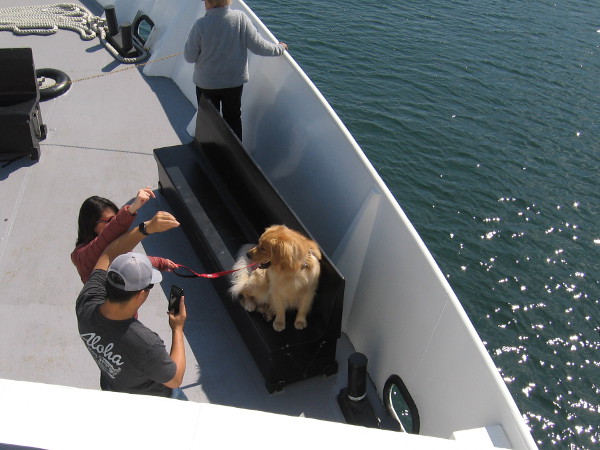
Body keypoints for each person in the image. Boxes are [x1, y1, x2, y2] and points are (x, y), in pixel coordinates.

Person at [76, 210, 187, 398]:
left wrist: (147, 228)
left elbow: (107, 255)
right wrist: (177, 328)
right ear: (140, 294)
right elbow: (175, 379)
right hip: (152, 399)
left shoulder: (87, 301)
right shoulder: (145, 343)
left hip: (113, 387)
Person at [183, 0, 288, 141]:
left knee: (207, 121)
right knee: (233, 118)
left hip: (206, 84)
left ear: (207, 3)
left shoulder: (200, 25)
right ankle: (235, 157)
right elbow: (259, 46)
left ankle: (208, 153)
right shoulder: (240, 19)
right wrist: (279, 48)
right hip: (233, 83)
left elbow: (189, 57)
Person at [71, 187, 177, 283]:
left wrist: (162, 263)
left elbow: (130, 260)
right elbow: (106, 238)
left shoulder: (113, 243)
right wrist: (132, 209)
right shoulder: (81, 256)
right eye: (109, 220)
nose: (112, 224)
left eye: (115, 218)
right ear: (91, 225)